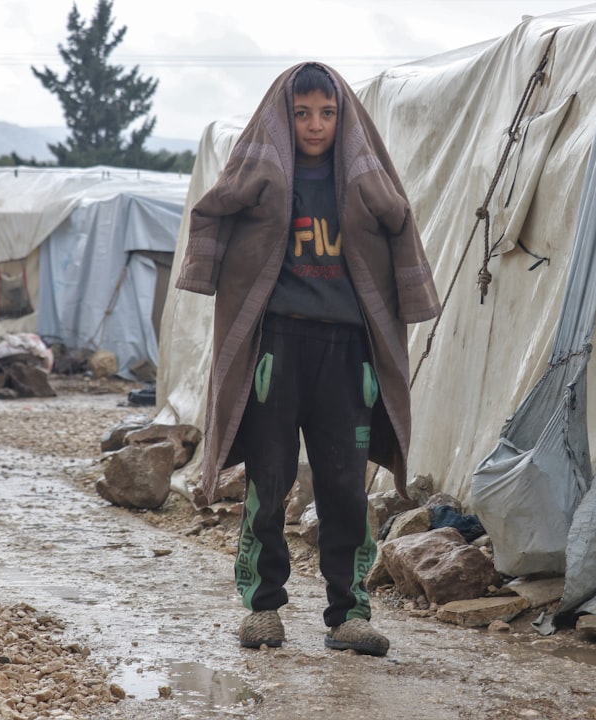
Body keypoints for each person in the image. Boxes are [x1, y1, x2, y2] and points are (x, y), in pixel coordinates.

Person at [175, 62, 440, 656]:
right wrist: (207, 270)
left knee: (345, 485)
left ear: (342, 117)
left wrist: (414, 294)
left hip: (348, 353)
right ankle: (264, 608)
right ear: (284, 117)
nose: (314, 125)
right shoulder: (263, 174)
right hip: (278, 348)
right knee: (268, 480)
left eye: (326, 112)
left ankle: (348, 614)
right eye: (301, 113)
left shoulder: (364, 179)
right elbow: (213, 208)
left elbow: (401, 224)